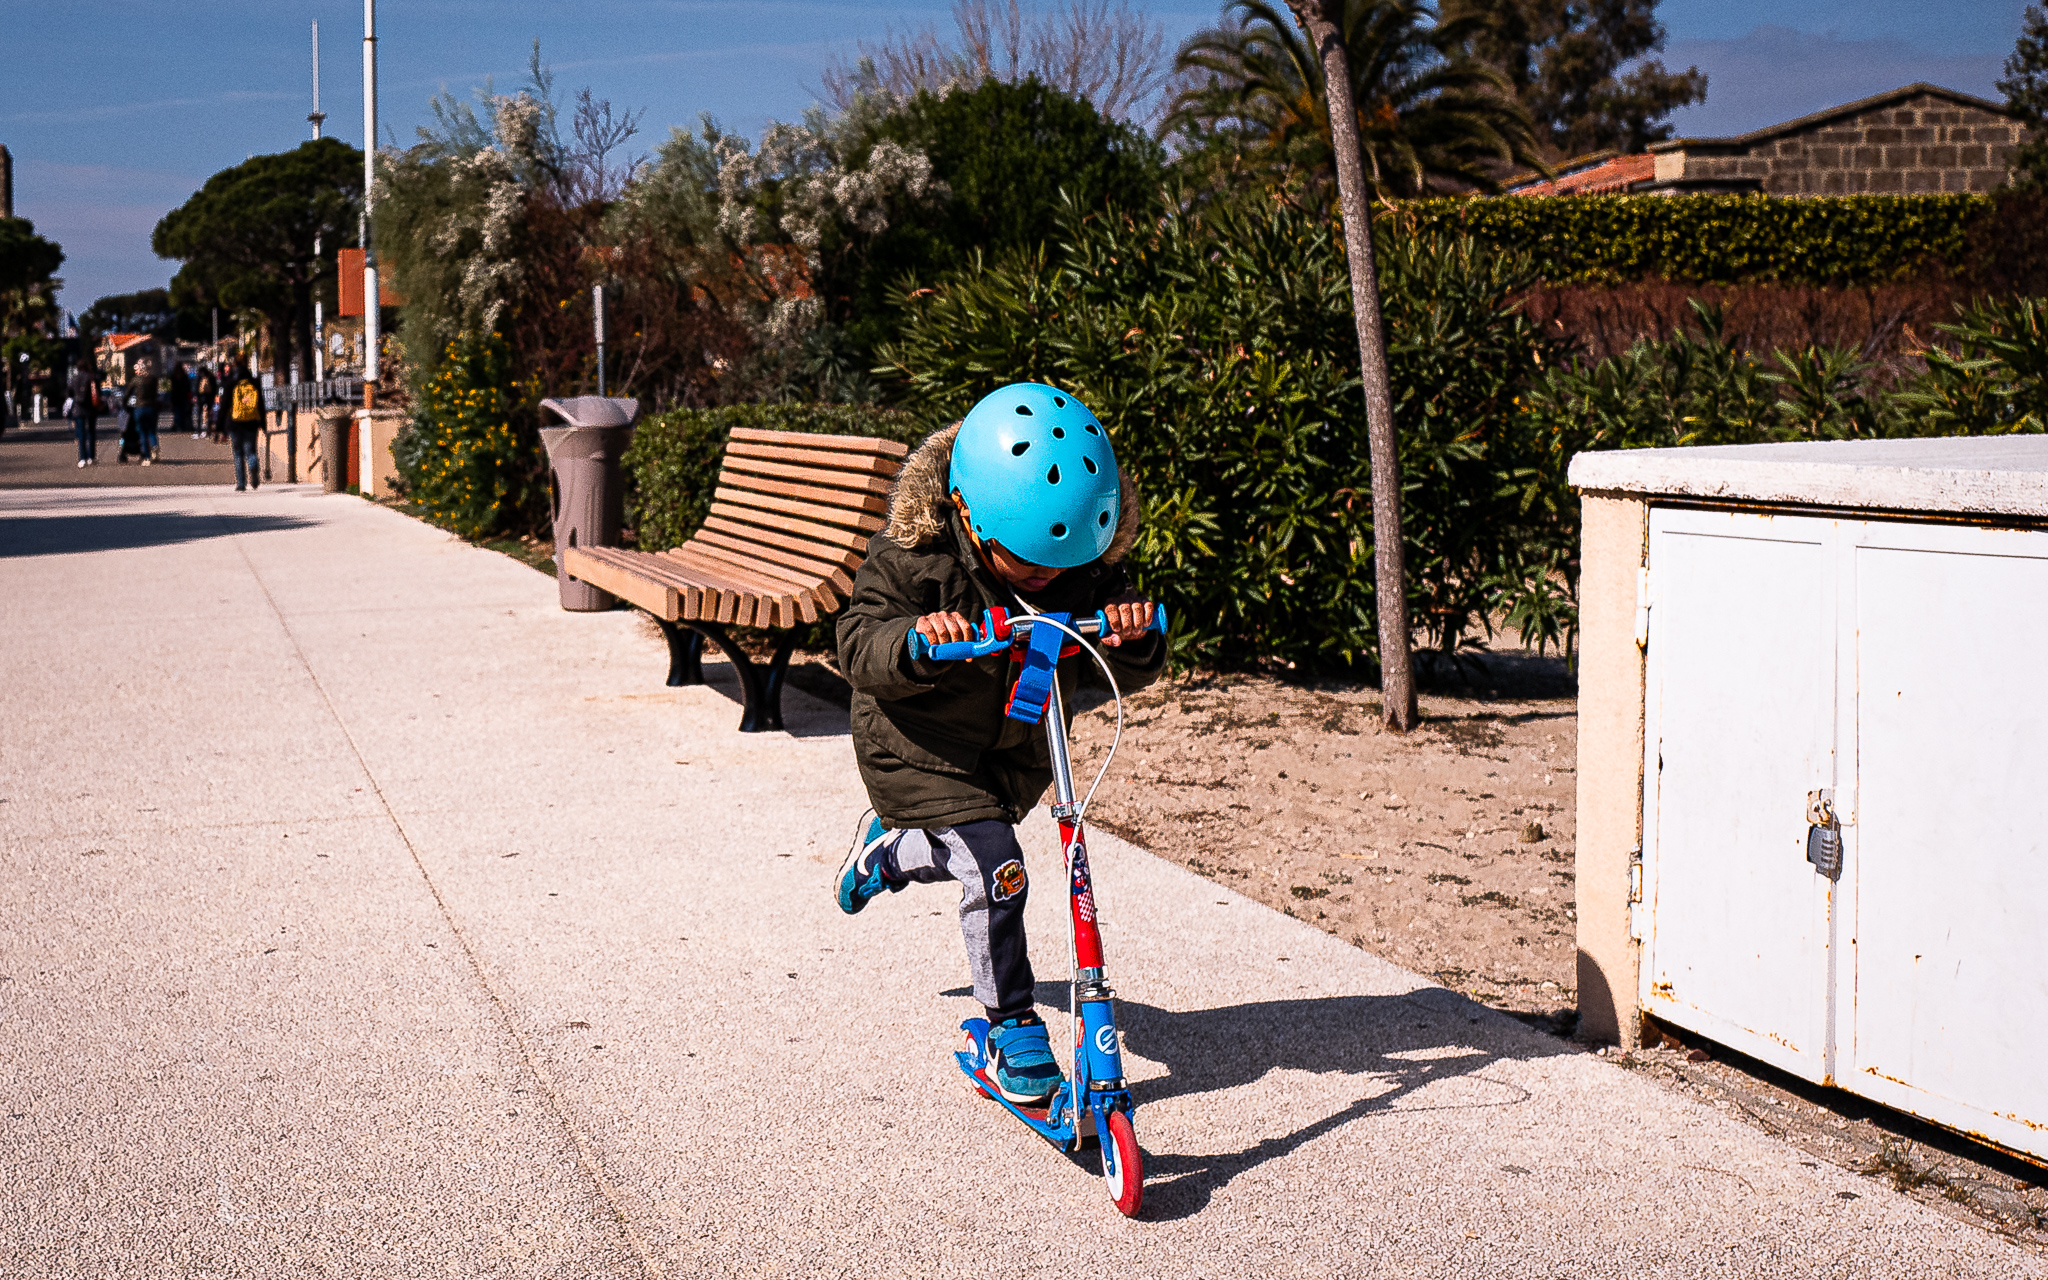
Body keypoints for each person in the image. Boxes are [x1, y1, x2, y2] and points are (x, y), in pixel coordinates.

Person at [832, 383, 1164, 1106]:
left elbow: (1118, 662)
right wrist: (918, 640)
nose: (1051, 579)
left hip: (1013, 759)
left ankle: (888, 853)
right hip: (916, 749)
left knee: (974, 856)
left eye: (1067, 562)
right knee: (999, 869)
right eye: (1028, 561)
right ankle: (1013, 1027)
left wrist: (1135, 631)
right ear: (970, 515)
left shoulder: (1078, 564)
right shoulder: (914, 560)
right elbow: (858, 645)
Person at [219, 358, 264, 491]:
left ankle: (241, 483)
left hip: (235, 422)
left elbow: (224, 407)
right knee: (251, 451)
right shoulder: (254, 383)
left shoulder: (231, 384)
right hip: (251, 422)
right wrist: (263, 423)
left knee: (238, 453)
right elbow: (261, 404)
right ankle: (253, 465)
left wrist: (220, 427)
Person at [66, 360, 99, 467]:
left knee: (81, 434)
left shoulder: (74, 379)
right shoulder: (91, 378)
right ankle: (91, 457)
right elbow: (98, 392)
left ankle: (82, 458)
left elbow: (69, 393)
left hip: (78, 409)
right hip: (90, 409)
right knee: (91, 433)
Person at [129, 359, 161, 465]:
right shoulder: (153, 380)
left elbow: (127, 393)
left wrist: (126, 404)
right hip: (152, 407)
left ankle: (147, 457)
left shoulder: (136, 380)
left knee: (142, 433)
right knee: (152, 431)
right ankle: (154, 445)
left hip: (139, 408)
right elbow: (156, 393)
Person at [193, 362, 218, 439]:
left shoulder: (200, 377)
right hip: (209, 397)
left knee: (200, 414)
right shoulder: (210, 377)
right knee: (209, 414)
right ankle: (207, 429)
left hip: (202, 397)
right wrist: (214, 396)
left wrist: (196, 396)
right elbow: (215, 387)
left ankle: (199, 430)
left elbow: (196, 387)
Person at [170, 360, 194, 438]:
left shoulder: (173, 377)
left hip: (176, 398)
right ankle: (183, 426)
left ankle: (179, 426)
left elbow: (172, 389)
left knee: (177, 413)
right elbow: (188, 388)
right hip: (183, 397)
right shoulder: (184, 377)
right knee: (183, 412)